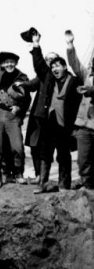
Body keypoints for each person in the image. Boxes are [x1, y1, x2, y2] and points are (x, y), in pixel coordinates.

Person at [26, 31, 83, 192]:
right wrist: (36, 44)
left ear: (65, 67)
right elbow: (39, 65)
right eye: (52, 66)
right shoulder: (49, 79)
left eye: (57, 65)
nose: (54, 68)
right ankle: (42, 184)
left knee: (63, 155)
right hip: (48, 123)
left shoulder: (74, 81)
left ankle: (64, 186)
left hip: (65, 125)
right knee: (45, 155)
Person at [0, 32, 30, 189]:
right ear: (1, 64)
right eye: (6, 62)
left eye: (12, 62)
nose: (9, 64)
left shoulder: (22, 77)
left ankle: (19, 174)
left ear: (15, 63)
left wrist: (19, 108)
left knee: (18, 147)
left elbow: (27, 99)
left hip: (12, 116)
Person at [66, 30, 94, 189]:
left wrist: (91, 91)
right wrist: (70, 45)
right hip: (84, 126)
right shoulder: (87, 76)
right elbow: (74, 63)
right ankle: (87, 185)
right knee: (83, 160)